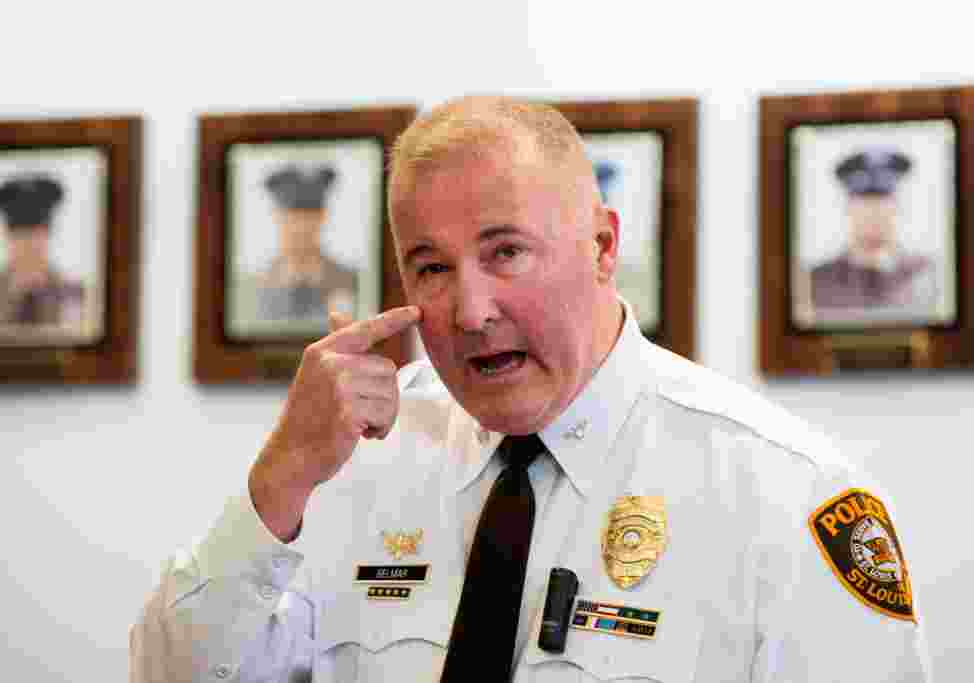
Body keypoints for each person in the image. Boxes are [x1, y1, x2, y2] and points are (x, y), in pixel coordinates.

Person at [131, 97, 931, 682]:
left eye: (506, 252)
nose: (470, 311)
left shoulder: (784, 491)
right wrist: (281, 478)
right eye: (431, 267)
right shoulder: (351, 465)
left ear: (602, 247)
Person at [231, 164, 359, 336]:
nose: (300, 229)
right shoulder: (251, 289)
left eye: (308, 219)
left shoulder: (351, 282)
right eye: (291, 219)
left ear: (322, 218)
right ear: (276, 217)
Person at [810, 148, 937, 313]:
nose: (874, 215)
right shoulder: (817, 282)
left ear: (896, 209)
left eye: (882, 205)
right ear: (849, 209)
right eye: (865, 206)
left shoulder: (926, 276)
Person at [0, 174, 86, 329]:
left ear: (48, 235)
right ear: (8, 236)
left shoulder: (73, 296)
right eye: (21, 234)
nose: (29, 243)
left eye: (36, 233)